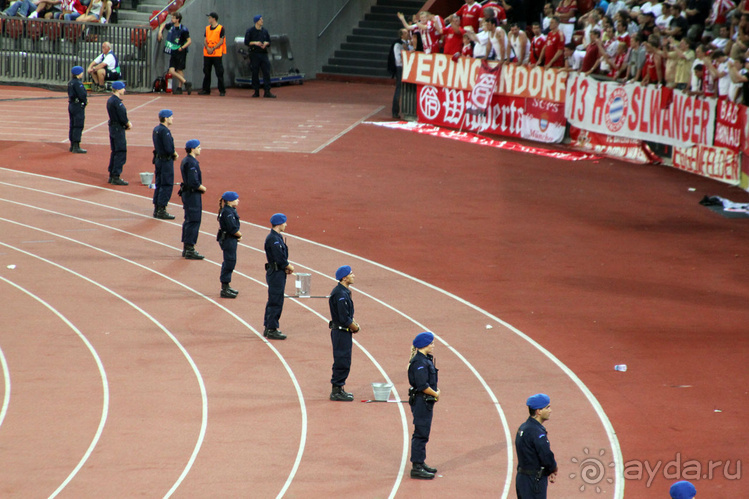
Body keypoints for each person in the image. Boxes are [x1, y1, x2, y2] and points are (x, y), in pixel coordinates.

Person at [408, 331, 440, 480]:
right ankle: (416, 466)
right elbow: (422, 385)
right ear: (424, 345)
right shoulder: (420, 362)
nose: (433, 345)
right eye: (431, 343)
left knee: (424, 433)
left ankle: (421, 462)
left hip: (426, 401)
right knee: (421, 433)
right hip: (422, 401)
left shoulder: (425, 359)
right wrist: (435, 394)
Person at [515, 393, 558, 499]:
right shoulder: (537, 433)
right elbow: (546, 455)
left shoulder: (523, 428)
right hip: (534, 481)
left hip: (522, 479)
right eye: (547, 407)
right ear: (538, 411)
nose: (550, 410)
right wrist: (553, 469)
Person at [329, 265, 359, 401]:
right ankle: (336, 390)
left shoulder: (344, 292)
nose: (353, 276)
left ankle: (340, 388)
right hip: (341, 332)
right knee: (342, 360)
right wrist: (355, 327)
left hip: (344, 332)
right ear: (344, 277)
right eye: (351, 274)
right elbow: (343, 318)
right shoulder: (340, 294)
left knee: (345, 359)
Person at [263, 213, 293, 340]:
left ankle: (269, 326)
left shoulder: (277, 237)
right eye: (284, 222)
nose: (286, 225)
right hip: (276, 273)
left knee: (275, 299)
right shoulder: (273, 239)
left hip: (278, 272)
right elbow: (279, 257)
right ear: (280, 224)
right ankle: (271, 328)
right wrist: (287, 265)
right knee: (276, 300)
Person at [179, 139, 206, 260]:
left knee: (189, 220)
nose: (200, 149)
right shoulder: (191, 163)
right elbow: (193, 181)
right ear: (192, 149)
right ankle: (190, 248)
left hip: (188, 194)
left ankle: (187, 247)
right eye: (198, 147)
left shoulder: (187, 161)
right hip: (192, 195)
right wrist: (202, 188)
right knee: (194, 220)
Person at [158, 12, 192, 95]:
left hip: (181, 52)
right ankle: (186, 82)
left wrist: (182, 47)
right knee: (171, 70)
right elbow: (163, 25)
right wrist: (159, 32)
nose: (172, 19)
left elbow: (189, 41)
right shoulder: (171, 26)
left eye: (173, 18)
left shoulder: (183, 29)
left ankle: (179, 87)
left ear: (178, 19)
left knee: (179, 70)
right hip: (173, 51)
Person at [152, 109, 178, 220]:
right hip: (165, 161)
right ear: (166, 118)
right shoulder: (165, 131)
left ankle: (157, 207)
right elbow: (168, 148)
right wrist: (174, 153)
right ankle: (162, 208)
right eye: (171, 116)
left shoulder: (156, 129)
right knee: (166, 184)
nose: (172, 118)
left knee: (159, 183)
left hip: (158, 159)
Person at [244, 14, 276, 98]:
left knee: (266, 72)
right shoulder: (250, 31)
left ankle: (267, 91)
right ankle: (256, 91)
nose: (262, 21)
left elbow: (269, 41)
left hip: (263, 53)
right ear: (256, 21)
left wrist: (266, 43)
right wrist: (255, 43)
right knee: (255, 72)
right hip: (254, 54)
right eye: (261, 19)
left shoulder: (265, 31)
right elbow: (246, 42)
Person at [217, 191, 241, 298]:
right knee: (229, 261)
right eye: (236, 199)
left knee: (230, 261)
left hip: (229, 239)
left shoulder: (229, 210)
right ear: (230, 201)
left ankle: (227, 285)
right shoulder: (228, 213)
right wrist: (239, 235)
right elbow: (232, 228)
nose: (238, 200)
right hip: (228, 239)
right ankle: (224, 287)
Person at [106, 80, 130, 186]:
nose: (124, 90)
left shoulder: (110, 100)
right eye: (123, 88)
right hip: (117, 128)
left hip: (112, 127)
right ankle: (116, 175)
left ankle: (112, 174)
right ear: (118, 89)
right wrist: (127, 124)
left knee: (115, 151)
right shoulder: (117, 102)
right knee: (120, 151)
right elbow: (122, 116)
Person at [198, 12, 226, 96]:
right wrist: (207, 48)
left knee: (219, 72)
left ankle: (222, 90)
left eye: (210, 17)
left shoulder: (221, 28)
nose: (208, 19)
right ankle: (206, 89)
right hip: (207, 54)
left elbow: (221, 41)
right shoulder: (207, 28)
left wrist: (213, 48)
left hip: (216, 54)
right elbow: (205, 39)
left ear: (214, 18)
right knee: (206, 72)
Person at [389, 28, 413, 119]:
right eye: (406, 33)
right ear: (401, 35)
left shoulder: (408, 44)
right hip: (401, 68)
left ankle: (407, 110)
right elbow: (398, 59)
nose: (408, 34)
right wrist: (406, 53)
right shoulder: (398, 44)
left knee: (405, 89)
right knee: (399, 88)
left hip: (407, 68)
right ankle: (395, 111)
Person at [67, 65, 87, 154]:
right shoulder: (78, 83)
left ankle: (72, 144)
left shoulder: (71, 82)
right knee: (78, 125)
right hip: (77, 105)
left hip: (71, 104)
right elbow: (82, 94)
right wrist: (85, 101)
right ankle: (76, 145)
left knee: (72, 124)